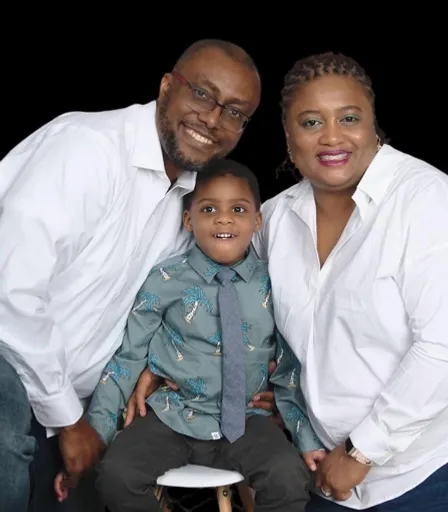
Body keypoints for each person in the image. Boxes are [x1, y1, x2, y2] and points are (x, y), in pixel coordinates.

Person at [0, 38, 262, 512]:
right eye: (202, 94)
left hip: (77, 397)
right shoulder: (86, 148)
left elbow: (176, 305)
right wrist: (69, 421)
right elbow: (9, 294)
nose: (212, 119)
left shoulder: (190, 206)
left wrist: (164, 368)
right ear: (166, 87)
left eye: (234, 113)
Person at [62, 160, 326, 512]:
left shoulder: (274, 283)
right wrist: (95, 434)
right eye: (209, 209)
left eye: (238, 209)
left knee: (289, 479)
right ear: (189, 221)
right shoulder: (166, 279)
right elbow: (128, 357)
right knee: (116, 477)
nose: (223, 218)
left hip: (247, 420)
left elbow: (288, 367)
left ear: (257, 220)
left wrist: (305, 438)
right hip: (173, 415)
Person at [252, 51, 448, 510]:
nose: (332, 137)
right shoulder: (275, 218)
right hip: (321, 473)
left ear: (373, 124)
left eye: (349, 117)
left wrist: (362, 451)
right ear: (287, 135)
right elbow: (247, 312)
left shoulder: (426, 199)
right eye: (311, 122)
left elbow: (442, 346)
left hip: (421, 476)